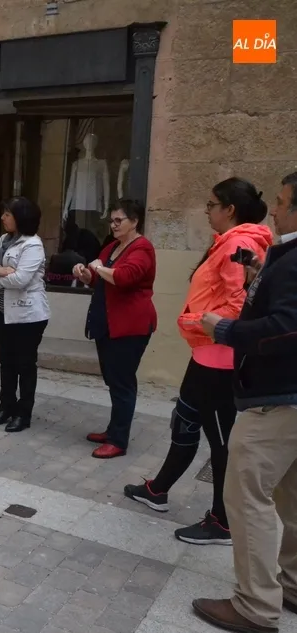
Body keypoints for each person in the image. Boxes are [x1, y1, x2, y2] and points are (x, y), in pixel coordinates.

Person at [125, 178, 272, 546]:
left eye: (211, 205)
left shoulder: (239, 244)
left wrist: (193, 321)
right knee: (185, 419)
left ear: (229, 209)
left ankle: (223, 521)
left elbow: (240, 305)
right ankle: (158, 490)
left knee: (221, 444)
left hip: (219, 361)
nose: (206, 211)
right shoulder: (230, 242)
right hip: (205, 355)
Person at [193, 171, 297, 633]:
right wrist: (259, 275)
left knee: (245, 495)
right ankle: (292, 585)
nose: (274, 210)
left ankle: (255, 606)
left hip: (276, 399)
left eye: (282, 202)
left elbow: (286, 328)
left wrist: (225, 329)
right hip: (285, 396)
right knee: (291, 497)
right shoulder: (283, 256)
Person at [73, 199, 156, 459]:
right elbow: (99, 277)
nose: (113, 225)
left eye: (119, 220)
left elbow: (124, 277)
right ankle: (113, 430)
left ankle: (118, 440)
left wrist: (99, 267)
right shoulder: (112, 246)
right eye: (111, 220)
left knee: (122, 383)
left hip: (129, 326)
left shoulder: (142, 248)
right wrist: (86, 274)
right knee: (113, 380)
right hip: (107, 324)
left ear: (135, 221)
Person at [0, 197, 50, 433]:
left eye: (7, 214)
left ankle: (23, 413)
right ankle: (6, 406)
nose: (3, 218)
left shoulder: (33, 245)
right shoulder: (4, 240)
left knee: (25, 364)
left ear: (21, 217)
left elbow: (20, 279)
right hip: (5, 311)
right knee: (6, 362)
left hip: (28, 315)